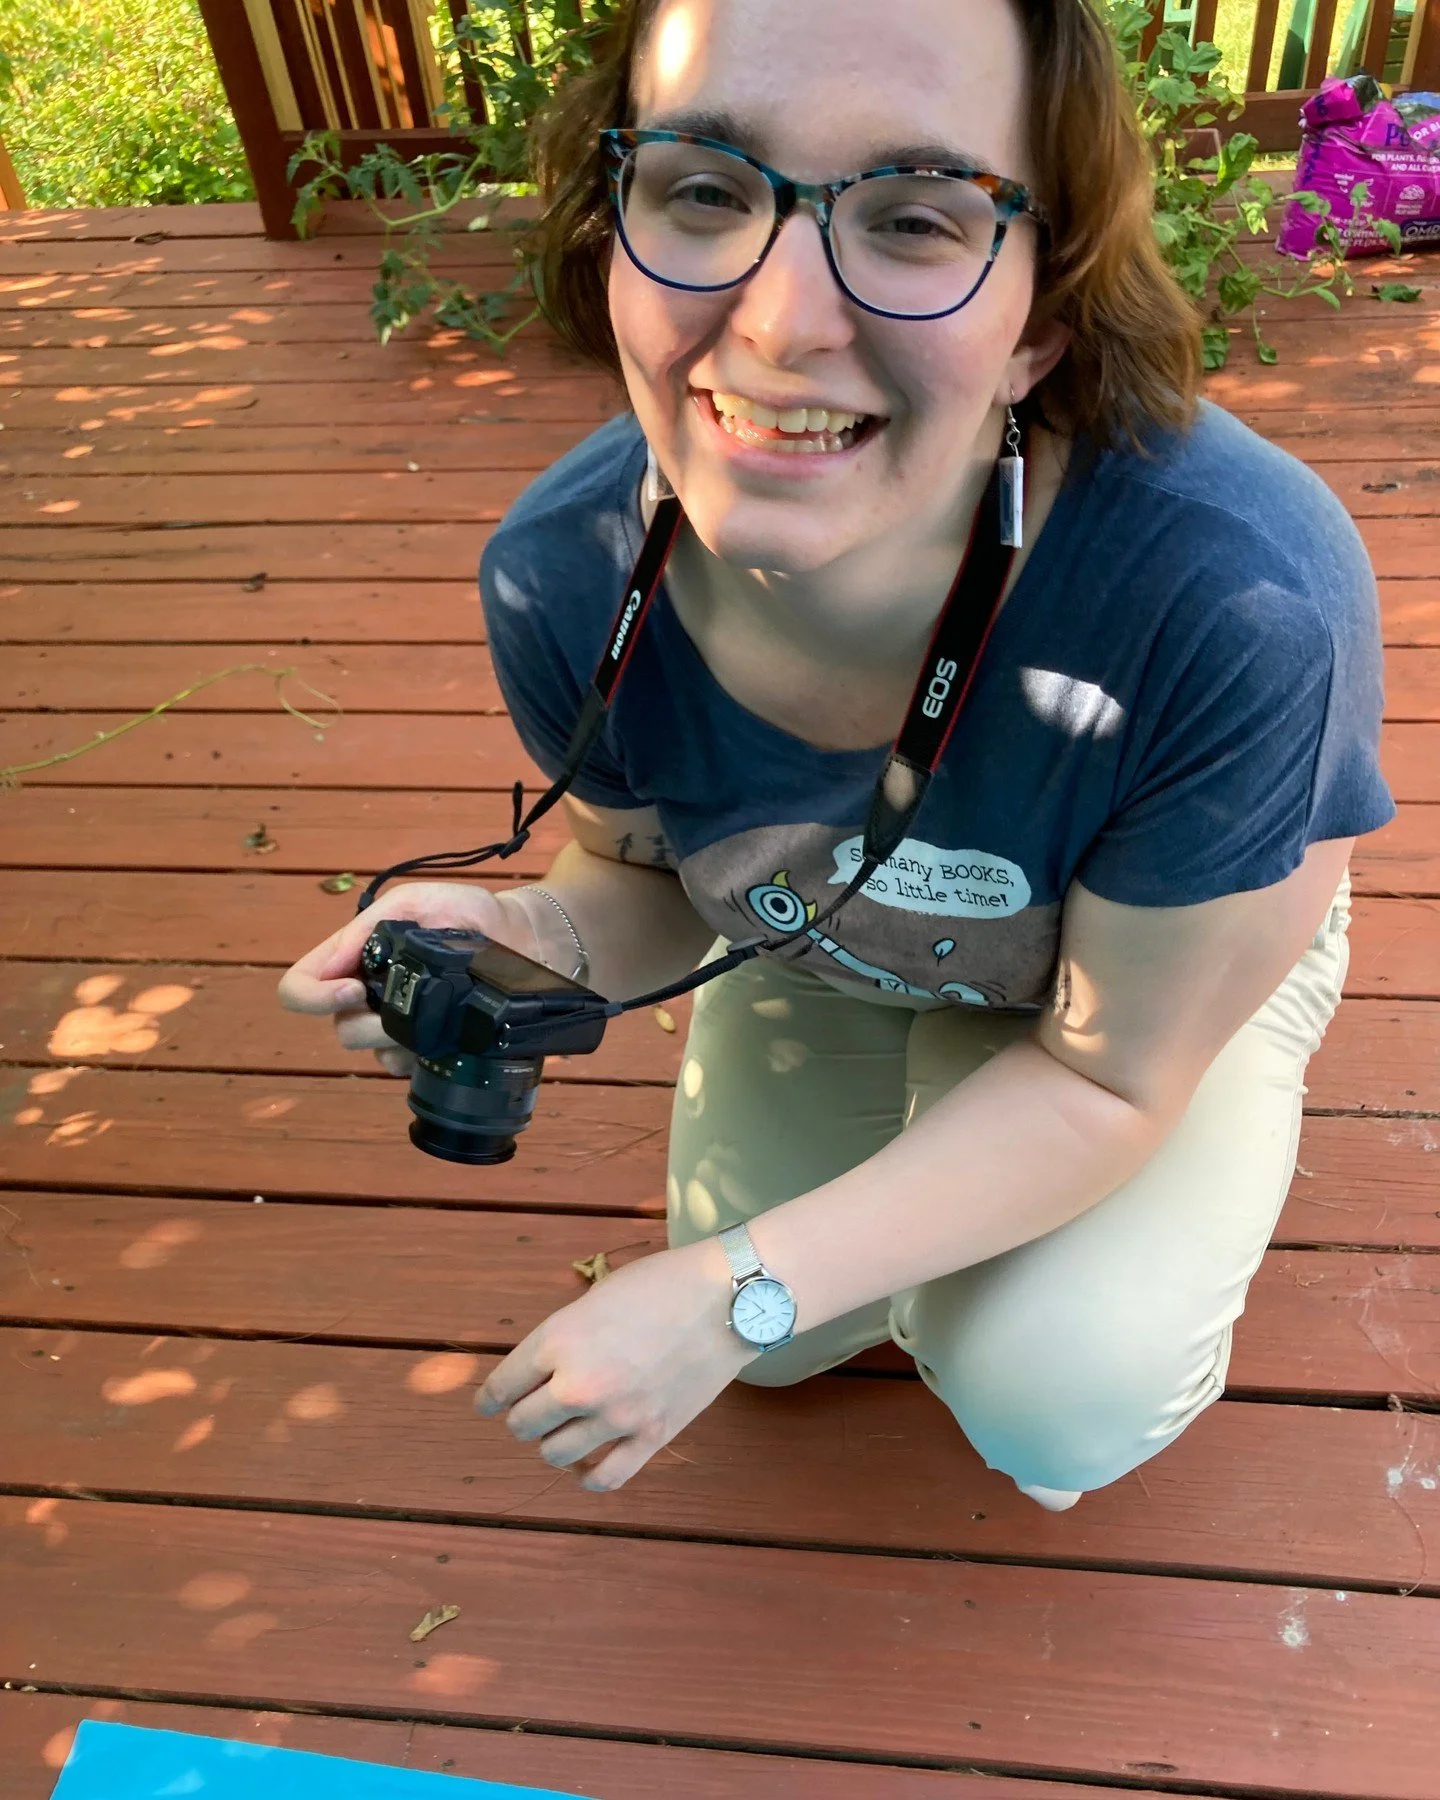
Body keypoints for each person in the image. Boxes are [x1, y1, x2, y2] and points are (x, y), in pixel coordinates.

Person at [279, 0, 1393, 1510]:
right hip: (821, 933)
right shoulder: (560, 571)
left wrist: (734, 1286)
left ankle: (1213, 1097)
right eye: (703, 187)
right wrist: (537, 930)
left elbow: (1106, 1081)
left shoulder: (1236, 604)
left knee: (1051, 1389)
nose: (777, 319)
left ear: (1041, 325)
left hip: (1140, 990)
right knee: (800, 1346)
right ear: (613, 234)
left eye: (917, 219)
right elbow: (634, 863)